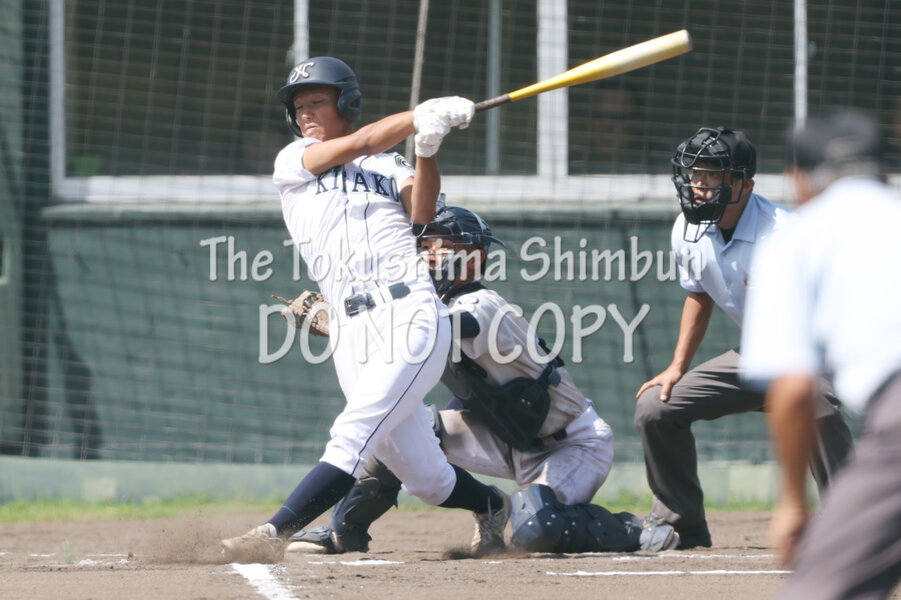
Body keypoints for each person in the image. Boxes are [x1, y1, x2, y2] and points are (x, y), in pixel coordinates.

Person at [220, 57, 511, 562]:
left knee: (353, 433)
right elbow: (360, 142)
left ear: (348, 103)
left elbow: (422, 211)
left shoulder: (388, 165)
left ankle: (271, 535)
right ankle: (493, 505)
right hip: (350, 329)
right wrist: (419, 115)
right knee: (423, 477)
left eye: (318, 101)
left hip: (409, 312)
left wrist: (425, 149)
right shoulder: (295, 159)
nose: (306, 113)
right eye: (299, 106)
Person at [287, 204, 679, 555]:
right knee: (401, 433)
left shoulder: (482, 305)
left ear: (474, 260)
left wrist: (344, 322)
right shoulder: (423, 309)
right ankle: (345, 532)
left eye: (442, 246)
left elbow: (435, 329)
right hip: (503, 435)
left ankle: (633, 530)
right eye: (425, 246)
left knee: (534, 526)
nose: (429, 255)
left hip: (571, 444)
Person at [632, 126, 855, 549]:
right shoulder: (687, 229)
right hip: (758, 354)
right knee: (655, 406)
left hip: (817, 353)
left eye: (713, 176)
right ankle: (682, 525)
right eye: (695, 175)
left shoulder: (785, 233)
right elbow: (699, 293)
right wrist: (677, 366)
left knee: (816, 407)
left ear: (745, 185)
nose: (699, 185)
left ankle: (851, 525)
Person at [741, 109, 901, 599]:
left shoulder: (798, 238)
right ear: (883, 169)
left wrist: (793, 502)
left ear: (799, 179)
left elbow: (793, 389)